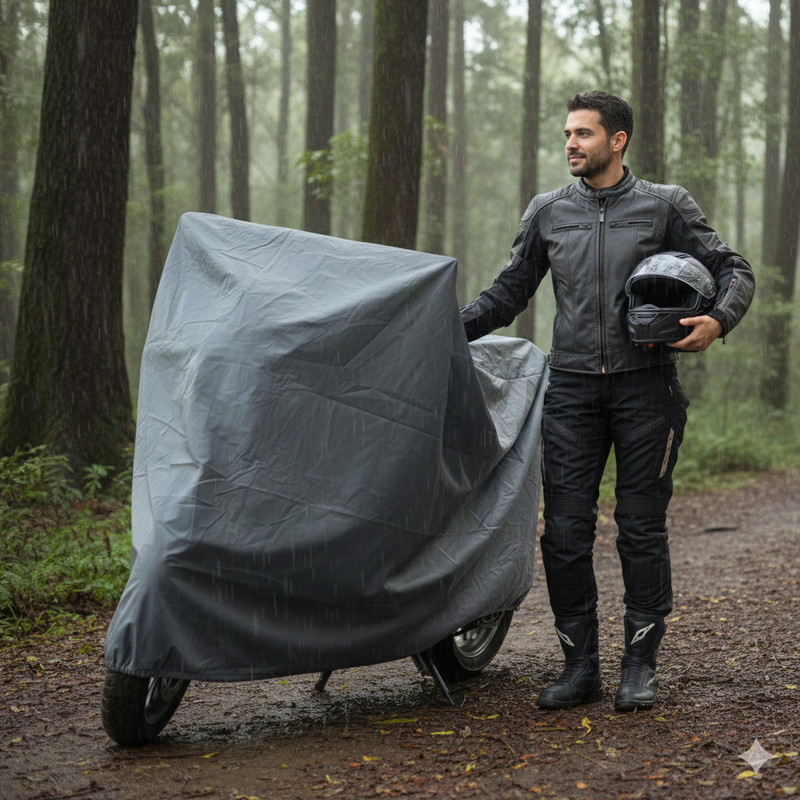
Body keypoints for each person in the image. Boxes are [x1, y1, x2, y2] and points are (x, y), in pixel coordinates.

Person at [460, 91, 755, 712]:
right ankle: (580, 669)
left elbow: (734, 269)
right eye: (568, 133)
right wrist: (439, 328)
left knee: (640, 528)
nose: (571, 143)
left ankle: (639, 667)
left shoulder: (664, 205)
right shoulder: (548, 211)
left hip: (648, 387)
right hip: (570, 391)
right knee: (565, 533)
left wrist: (718, 320)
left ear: (617, 140)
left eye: (584, 134)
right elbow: (507, 293)